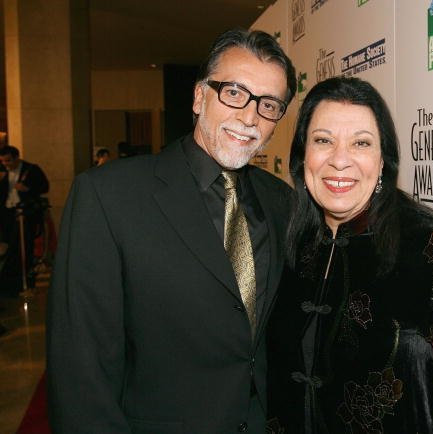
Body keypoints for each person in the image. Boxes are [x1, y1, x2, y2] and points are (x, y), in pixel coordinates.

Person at [47, 28, 296, 433]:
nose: (249, 116)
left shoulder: (280, 201)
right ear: (200, 97)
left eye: (269, 105)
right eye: (234, 92)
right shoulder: (108, 196)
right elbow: (80, 369)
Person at [266, 77, 433, 434]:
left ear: (383, 160)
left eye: (361, 143)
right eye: (323, 140)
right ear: (302, 155)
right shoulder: (290, 242)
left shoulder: (430, 249)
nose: (340, 160)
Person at [0, 145, 49, 294]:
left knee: (22, 246)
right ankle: (8, 282)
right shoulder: (3, 172)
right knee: (9, 246)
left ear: (16, 158)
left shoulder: (31, 169)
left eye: (8, 161)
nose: (5, 164)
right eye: (2, 161)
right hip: (7, 213)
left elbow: (44, 187)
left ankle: (22, 281)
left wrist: (28, 189)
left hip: (25, 214)